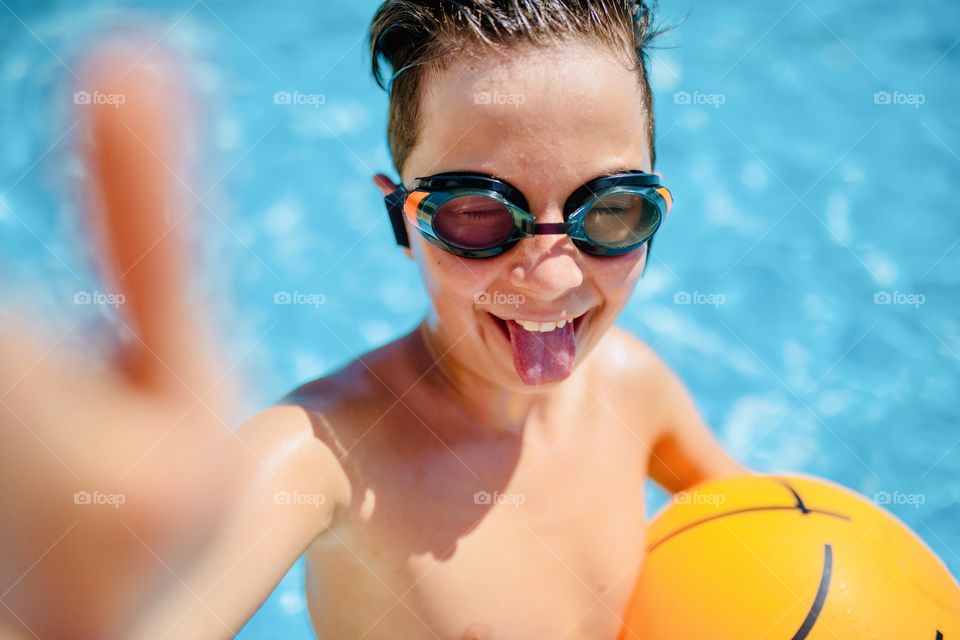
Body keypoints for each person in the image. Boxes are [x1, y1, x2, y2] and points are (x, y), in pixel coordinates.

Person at [3, 2, 747, 639]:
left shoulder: (634, 387)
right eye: (479, 213)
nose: (552, 276)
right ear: (402, 217)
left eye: (611, 210)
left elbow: (779, 535)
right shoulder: (322, 456)